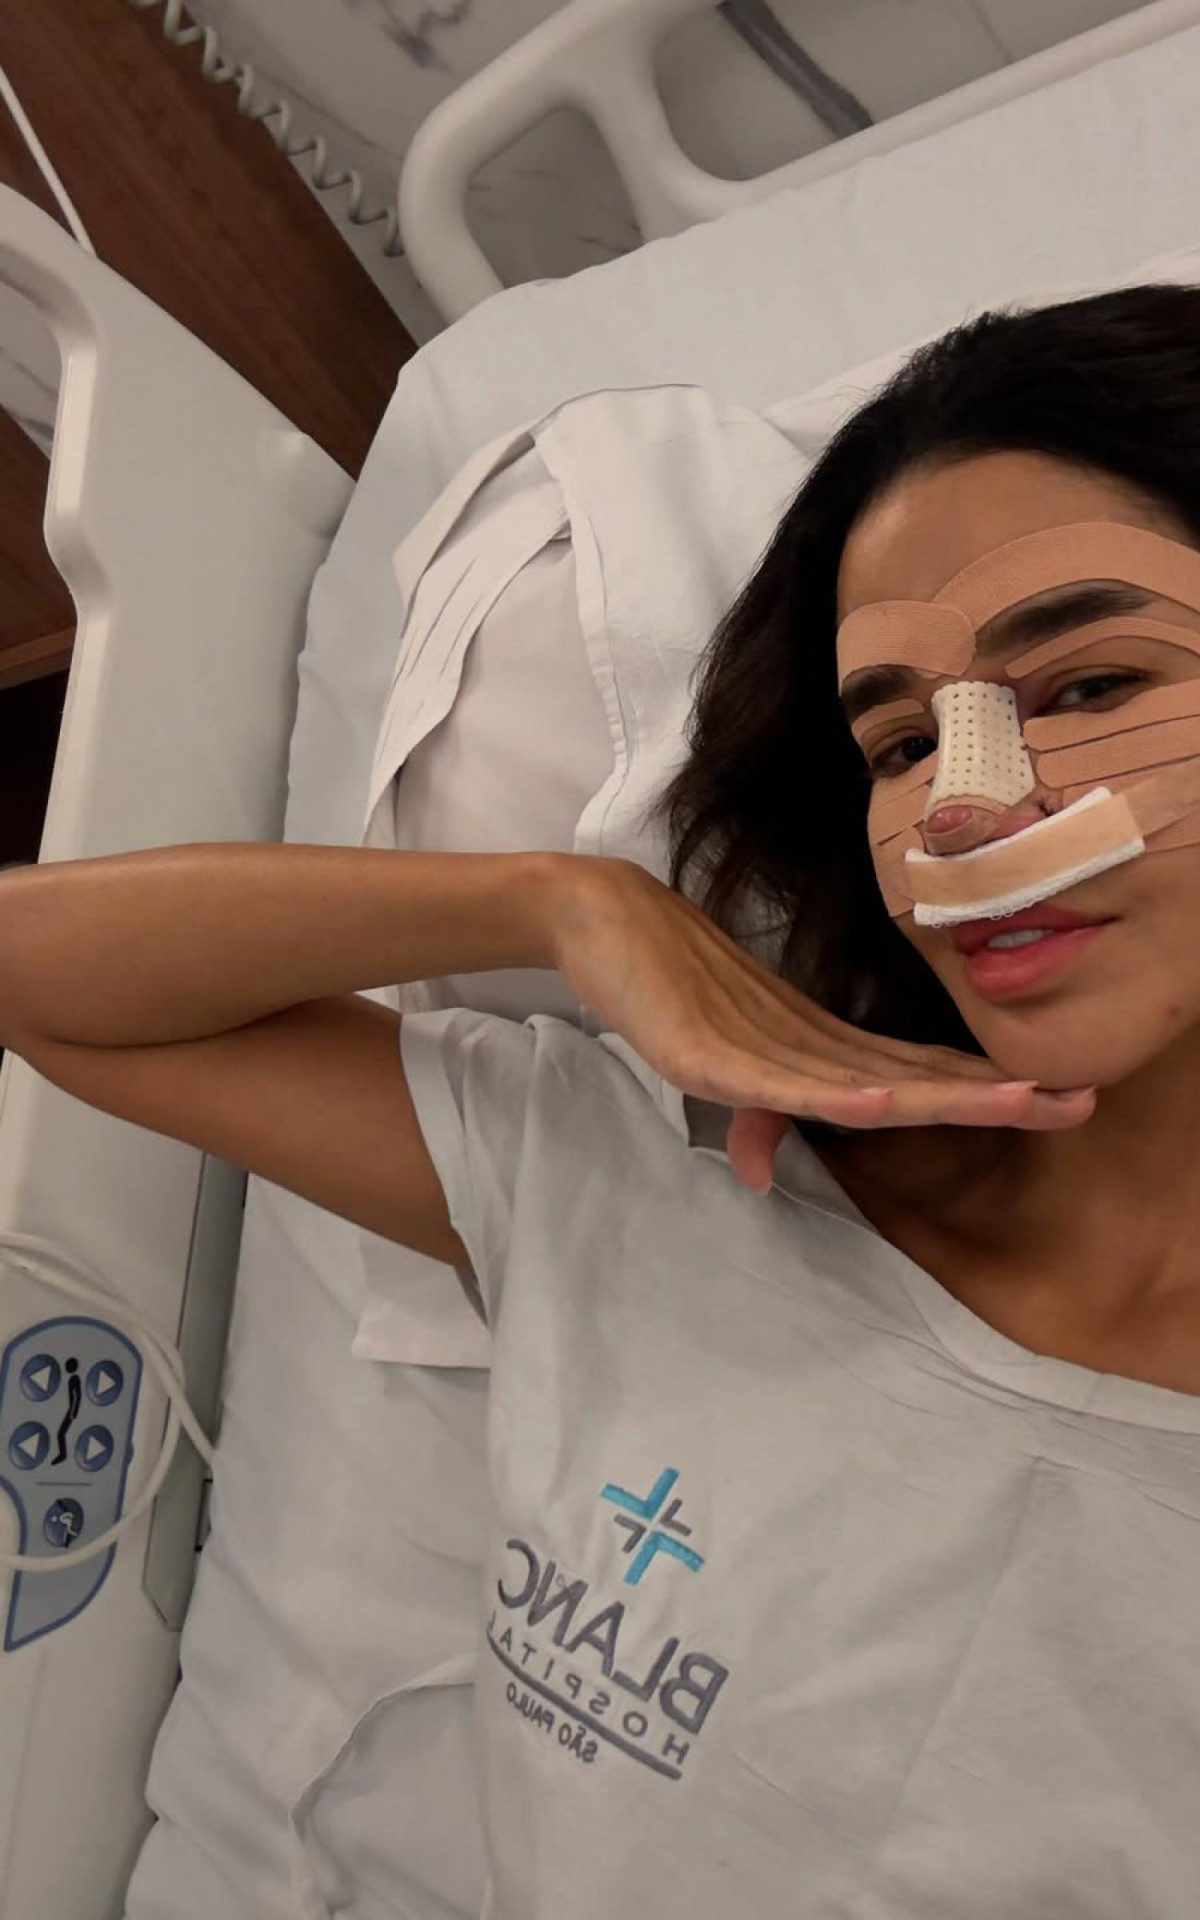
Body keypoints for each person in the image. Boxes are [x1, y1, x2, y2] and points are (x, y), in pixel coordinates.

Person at [3, 282, 1199, 1917]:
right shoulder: (662, 1187)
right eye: (899, 744)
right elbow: (48, 983)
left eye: (1087, 686)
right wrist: (562, 902)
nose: (962, 812)